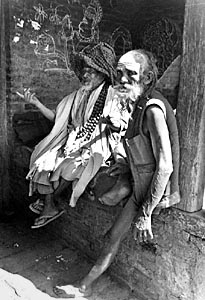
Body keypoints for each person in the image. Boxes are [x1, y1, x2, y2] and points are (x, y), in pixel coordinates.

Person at [53, 49, 180, 298]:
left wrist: (145, 213)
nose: (121, 79)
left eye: (130, 74)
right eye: (119, 73)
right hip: (138, 175)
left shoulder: (152, 109)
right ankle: (85, 283)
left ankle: (83, 287)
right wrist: (125, 165)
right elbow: (142, 147)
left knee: (113, 236)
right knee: (103, 194)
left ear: (148, 78)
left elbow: (165, 165)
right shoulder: (138, 101)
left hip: (149, 184)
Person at [17, 42, 128, 229]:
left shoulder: (113, 95)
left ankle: (48, 203)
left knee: (68, 166)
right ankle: (49, 204)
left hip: (96, 145)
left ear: (102, 74)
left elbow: (121, 126)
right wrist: (36, 103)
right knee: (42, 159)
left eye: (90, 71)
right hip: (72, 141)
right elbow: (58, 118)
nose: (85, 75)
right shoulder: (78, 95)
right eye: (84, 71)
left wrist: (113, 123)